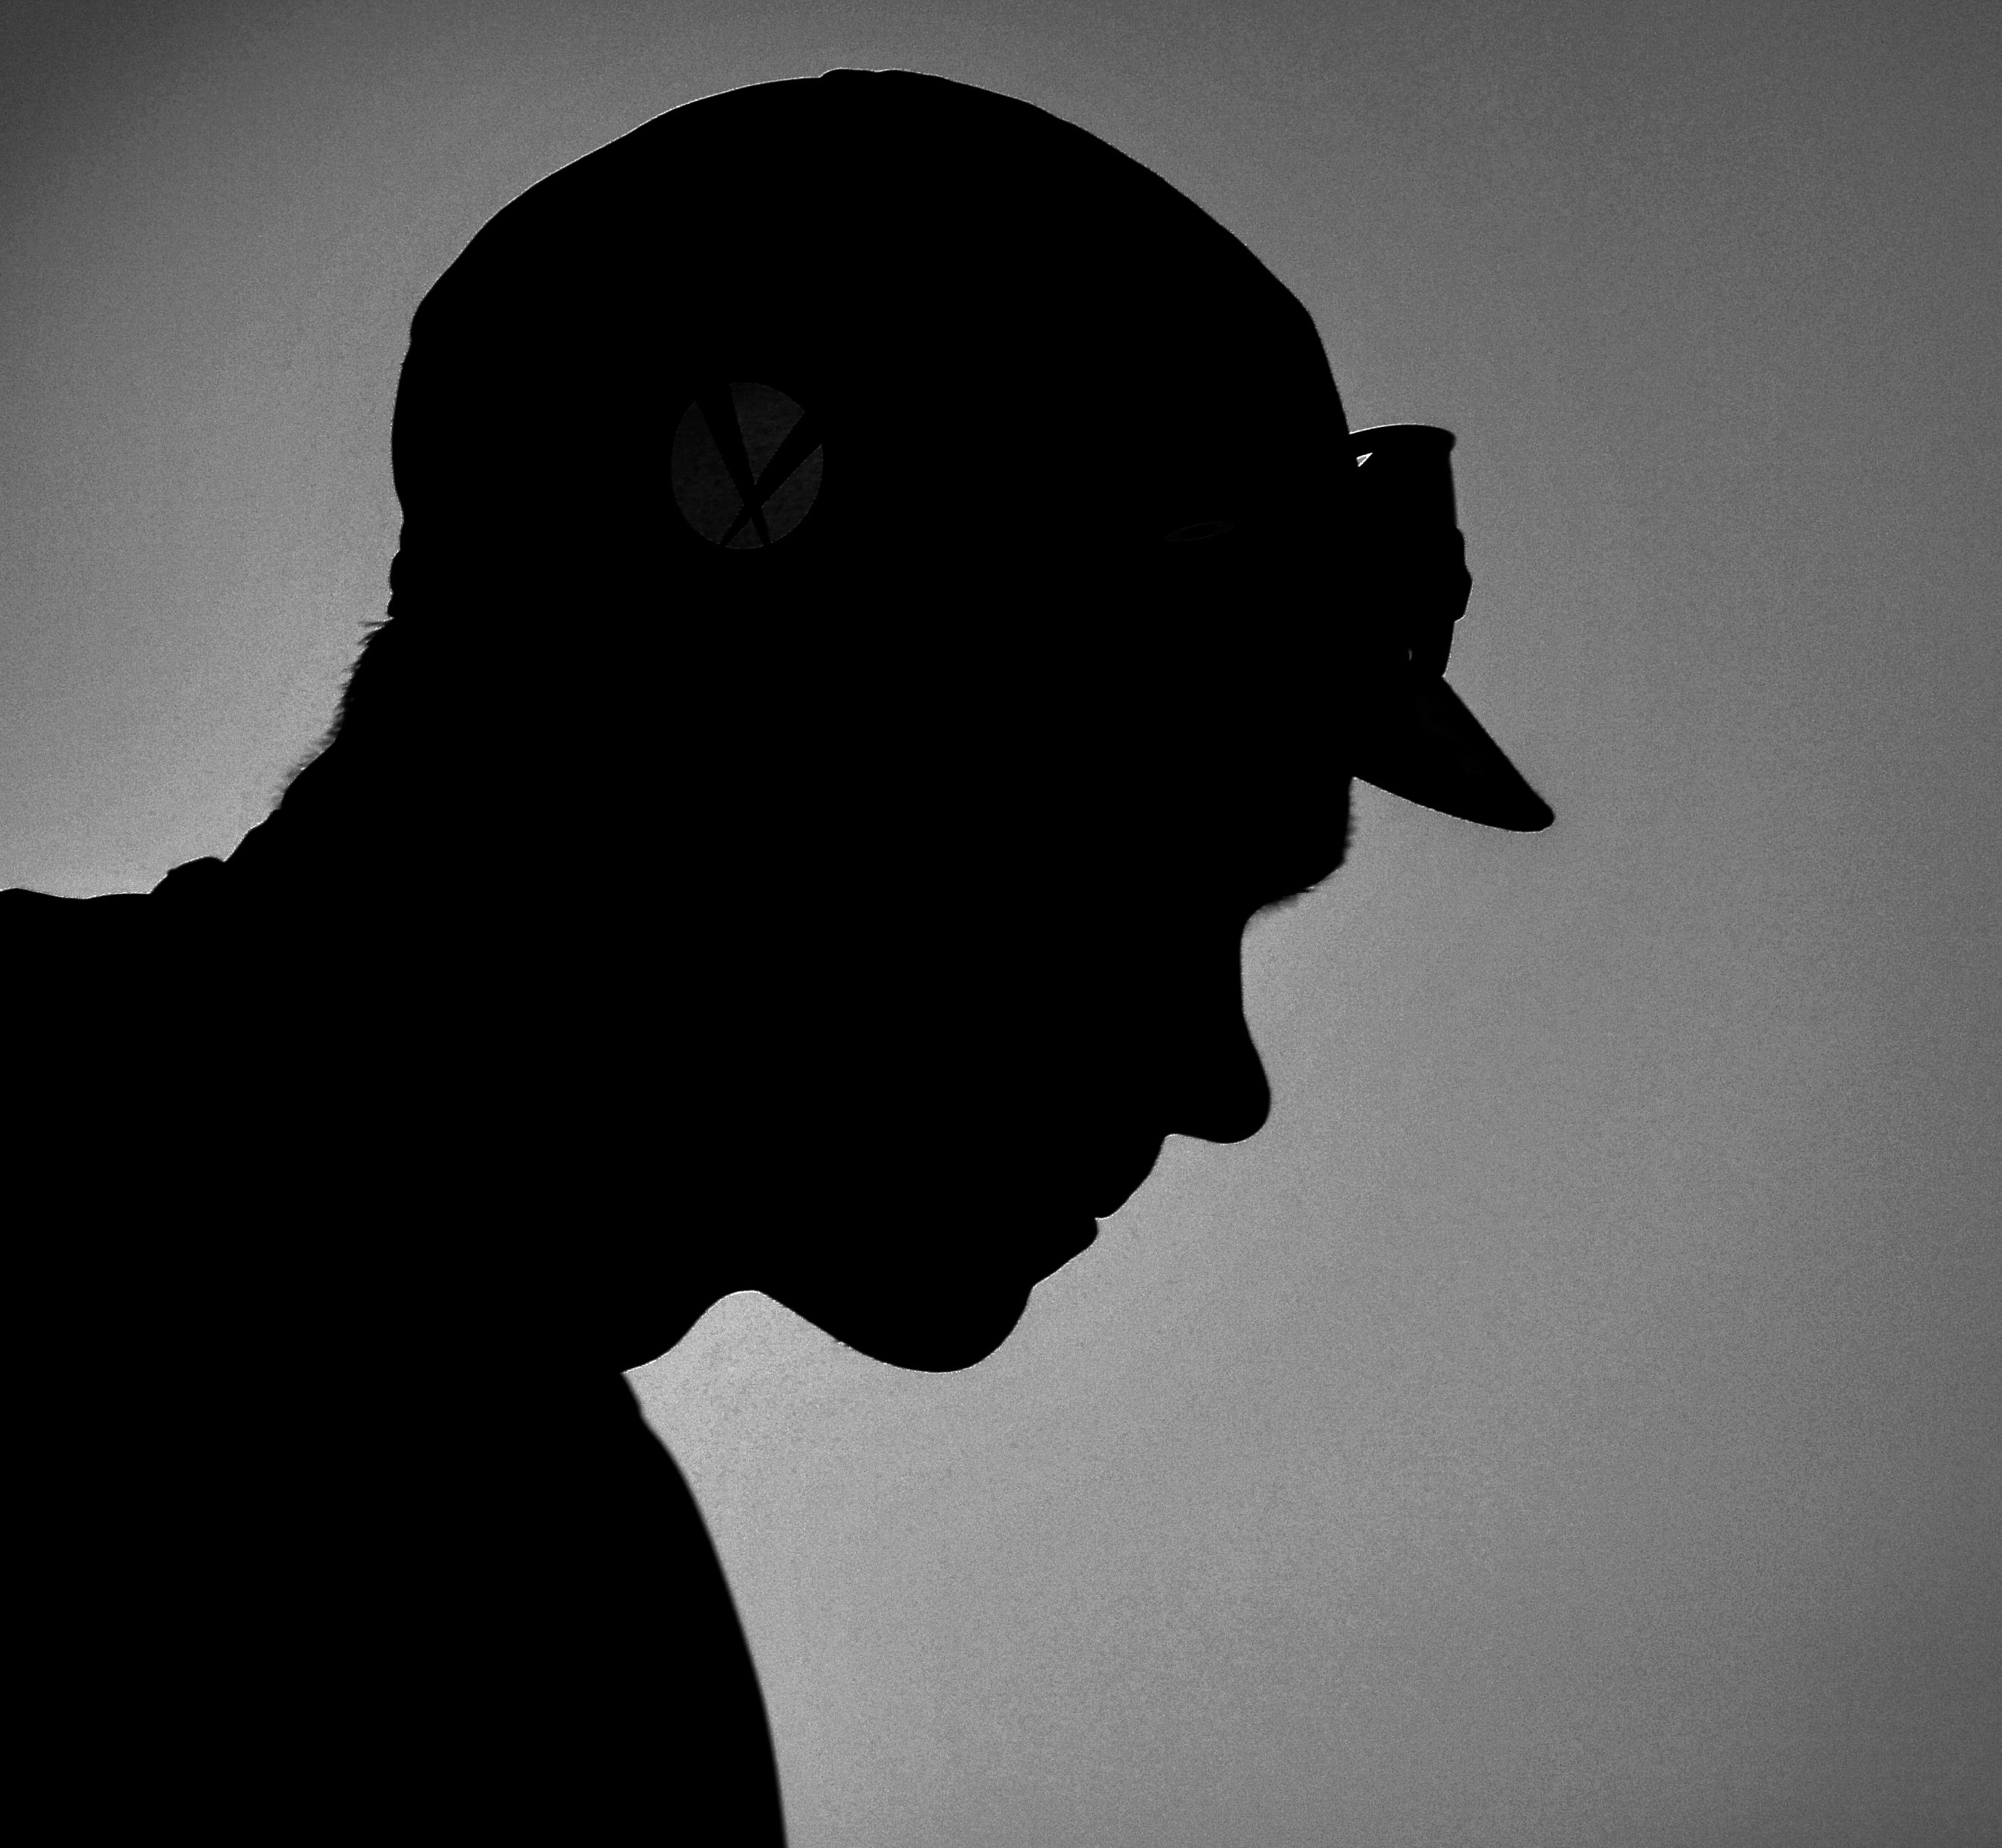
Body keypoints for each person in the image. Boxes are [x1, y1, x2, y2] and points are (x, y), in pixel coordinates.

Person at [7, 69, 1552, 1843]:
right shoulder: (519, 1589)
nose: (1224, 1086)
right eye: (1142, 873)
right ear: (748, 734)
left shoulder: (548, 1576)